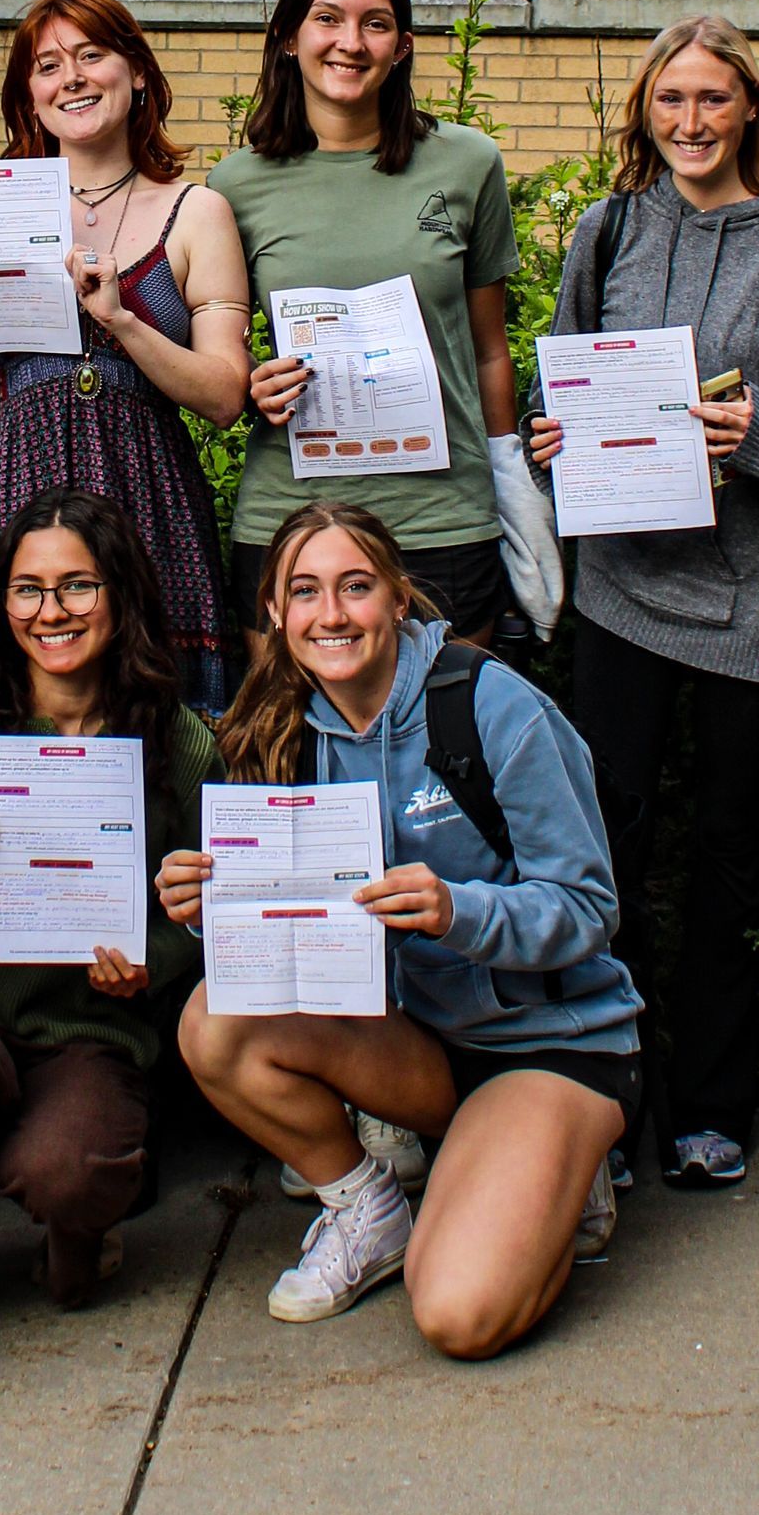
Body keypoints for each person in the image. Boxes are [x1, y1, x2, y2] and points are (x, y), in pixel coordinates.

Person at [528, 14, 759, 1190]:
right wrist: (547, 442)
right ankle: (616, 1097)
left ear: (749, 113)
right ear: (644, 111)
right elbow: (566, 385)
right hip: (626, 589)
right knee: (610, 840)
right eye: (669, 99)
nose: (689, 121)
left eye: (713, 100)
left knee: (728, 850)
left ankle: (716, 1107)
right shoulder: (608, 231)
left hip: (755, 599)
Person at [173, 504, 640, 1358]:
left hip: (543, 1042)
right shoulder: (286, 736)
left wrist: (458, 910)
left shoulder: (490, 704)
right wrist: (218, 911)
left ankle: (568, 1164)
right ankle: (368, 1210)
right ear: (277, 614)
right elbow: (300, 954)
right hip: (419, 1047)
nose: (332, 614)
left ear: (397, 598)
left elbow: (589, 908)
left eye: (355, 587)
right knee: (214, 1021)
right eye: (304, 593)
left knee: (459, 1316)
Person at [0, 488, 212, 1328]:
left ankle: (81, 1220)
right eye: (27, 589)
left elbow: (218, 911)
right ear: (1, 602)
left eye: (77, 587)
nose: (49, 611)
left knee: (70, 1193)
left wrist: (154, 964)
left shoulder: (178, 741)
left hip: (90, 1029)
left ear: (121, 595)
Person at [0, 0, 249, 714]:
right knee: (15, 707)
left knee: (161, 716)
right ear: (31, 95)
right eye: (49, 65)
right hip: (22, 483)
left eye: (92, 55)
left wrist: (122, 320)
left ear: (137, 72)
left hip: (148, 491)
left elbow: (224, 395)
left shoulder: (195, 211)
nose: (72, 78)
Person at [208, 0, 558, 654]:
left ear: (401, 46)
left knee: (449, 751)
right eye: (328, 18)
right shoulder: (234, 185)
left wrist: (509, 481)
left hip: (441, 517)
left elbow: (491, 350)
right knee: (290, 754)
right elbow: (219, 361)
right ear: (287, 39)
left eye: (375, 23)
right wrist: (252, 387)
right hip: (290, 516)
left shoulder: (468, 163)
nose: (350, 42)